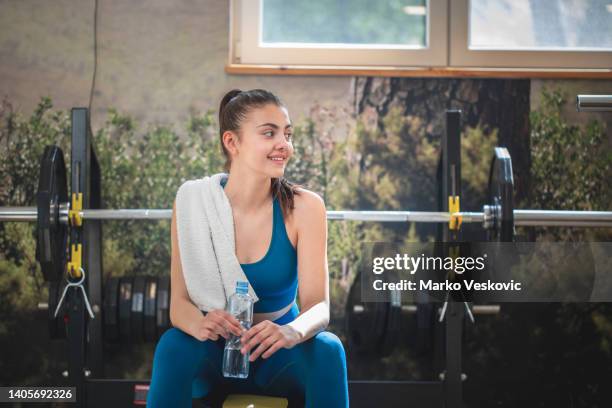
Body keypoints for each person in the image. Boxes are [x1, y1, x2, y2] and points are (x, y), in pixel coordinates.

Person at [147, 89, 349, 407]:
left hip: (279, 351)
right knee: (174, 345)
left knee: (329, 349)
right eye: (269, 133)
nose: (284, 144)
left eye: (287, 133)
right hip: (216, 350)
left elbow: (319, 306)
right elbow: (180, 304)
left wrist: (292, 332)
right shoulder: (192, 202)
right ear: (232, 142)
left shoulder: (305, 207)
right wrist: (200, 324)